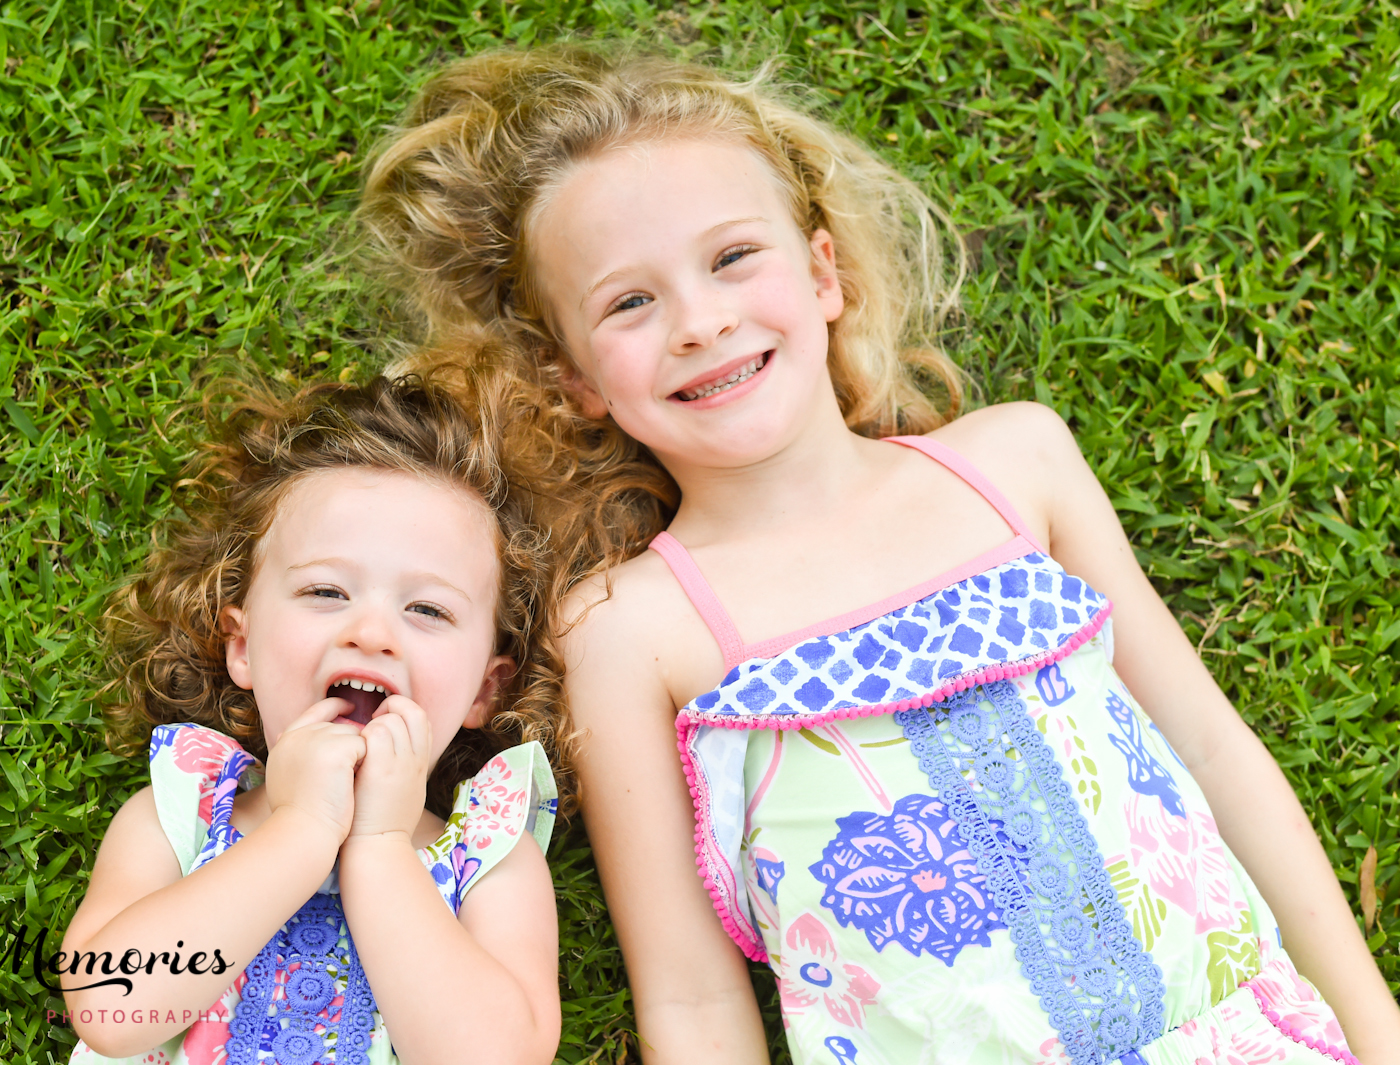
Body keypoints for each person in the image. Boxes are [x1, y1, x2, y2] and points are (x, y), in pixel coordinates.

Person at [355, 44, 1400, 1065]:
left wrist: (1376, 1029)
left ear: (823, 273)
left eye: (731, 258)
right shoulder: (631, 626)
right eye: (629, 302)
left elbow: (1213, 754)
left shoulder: (1013, 464)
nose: (700, 322)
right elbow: (687, 988)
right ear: (575, 376)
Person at [61, 376, 563, 1065]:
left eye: (428, 610)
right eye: (326, 591)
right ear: (241, 645)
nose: (372, 631)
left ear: (484, 688)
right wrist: (299, 830)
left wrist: (382, 844)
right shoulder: (180, 814)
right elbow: (111, 1011)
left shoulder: (490, 861)